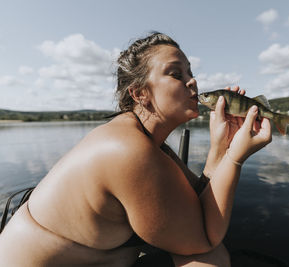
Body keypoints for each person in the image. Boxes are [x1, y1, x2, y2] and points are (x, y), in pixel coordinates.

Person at [0, 32, 272, 266]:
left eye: (191, 72)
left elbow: (198, 203)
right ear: (139, 94)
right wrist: (235, 158)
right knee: (207, 260)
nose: (192, 82)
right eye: (176, 74)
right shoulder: (127, 150)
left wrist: (221, 146)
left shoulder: (148, 142)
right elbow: (204, 238)